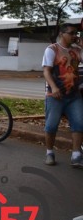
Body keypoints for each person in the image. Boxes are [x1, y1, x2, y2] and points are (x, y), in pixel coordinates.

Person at [42, 23, 83, 167]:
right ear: (62, 34)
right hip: (55, 96)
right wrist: (53, 87)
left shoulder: (77, 51)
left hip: (74, 95)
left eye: (76, 33)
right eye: (71, 33)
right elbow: (46, 71)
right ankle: (49, 153)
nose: (74, 36)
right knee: (51, 126)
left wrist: (82, 46)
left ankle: (76, 155)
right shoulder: (52, 49)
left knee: (79, 123)